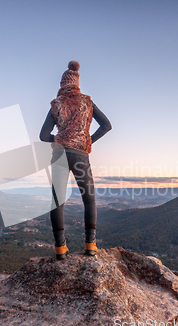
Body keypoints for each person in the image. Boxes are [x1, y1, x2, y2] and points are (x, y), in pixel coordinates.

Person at [39, 60, 112, 260]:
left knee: (57, 201)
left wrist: (60, 138)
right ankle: (90, 245)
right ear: (77, 82)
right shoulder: (87, 102)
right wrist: (87, 141)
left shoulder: (56, 104)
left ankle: (60, 248)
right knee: (89, 200)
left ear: (62, 84)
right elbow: (106, 125)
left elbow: (43, 136)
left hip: (60, 154)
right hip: (81, 154)